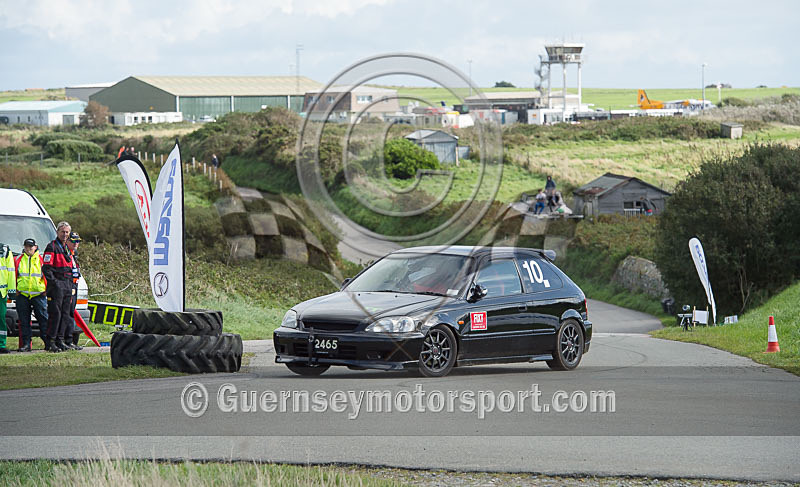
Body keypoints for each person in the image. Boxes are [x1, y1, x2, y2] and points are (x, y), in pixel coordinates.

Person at [42, 222, 77, 352]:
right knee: (55, 314)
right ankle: (50, 341)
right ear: (57, 232)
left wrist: (71, 284)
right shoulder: (51, 246)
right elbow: (46, 268)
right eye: (63, 232)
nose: (65, 234)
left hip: (67, 285)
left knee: (65, 314)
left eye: (67, 232)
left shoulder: (67, 247)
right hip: (56, 286)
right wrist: (55, 283)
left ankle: (60, 340)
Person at [14, 238, 48, 352]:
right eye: (26, 246)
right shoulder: (18, 259)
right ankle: (26, 344)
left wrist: (46, 290)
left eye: (31, 246)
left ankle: (47, 343)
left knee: (43, 319)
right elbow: (13, 274)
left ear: (36, 247)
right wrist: (16, 290)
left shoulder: (41, 259)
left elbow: (47, 275)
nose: (28, 248)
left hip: (39, 294)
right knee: (24, 321)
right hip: (23, 295)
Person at [62, 232, 83, 350]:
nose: (76, 244)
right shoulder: (66, 253)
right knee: (67, 314)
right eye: (74, 241)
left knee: (70, 313)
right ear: (67, 241)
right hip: (68, 287)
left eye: (78, 241)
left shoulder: (74, 254)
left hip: (74, 286)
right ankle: (67, 340)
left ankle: (69, 341)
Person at [0, 243, 16, 354]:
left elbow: (10, 271)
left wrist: (11, 291)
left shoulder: (4, 250)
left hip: (1, 292)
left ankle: (1, 344)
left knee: (1, 318)